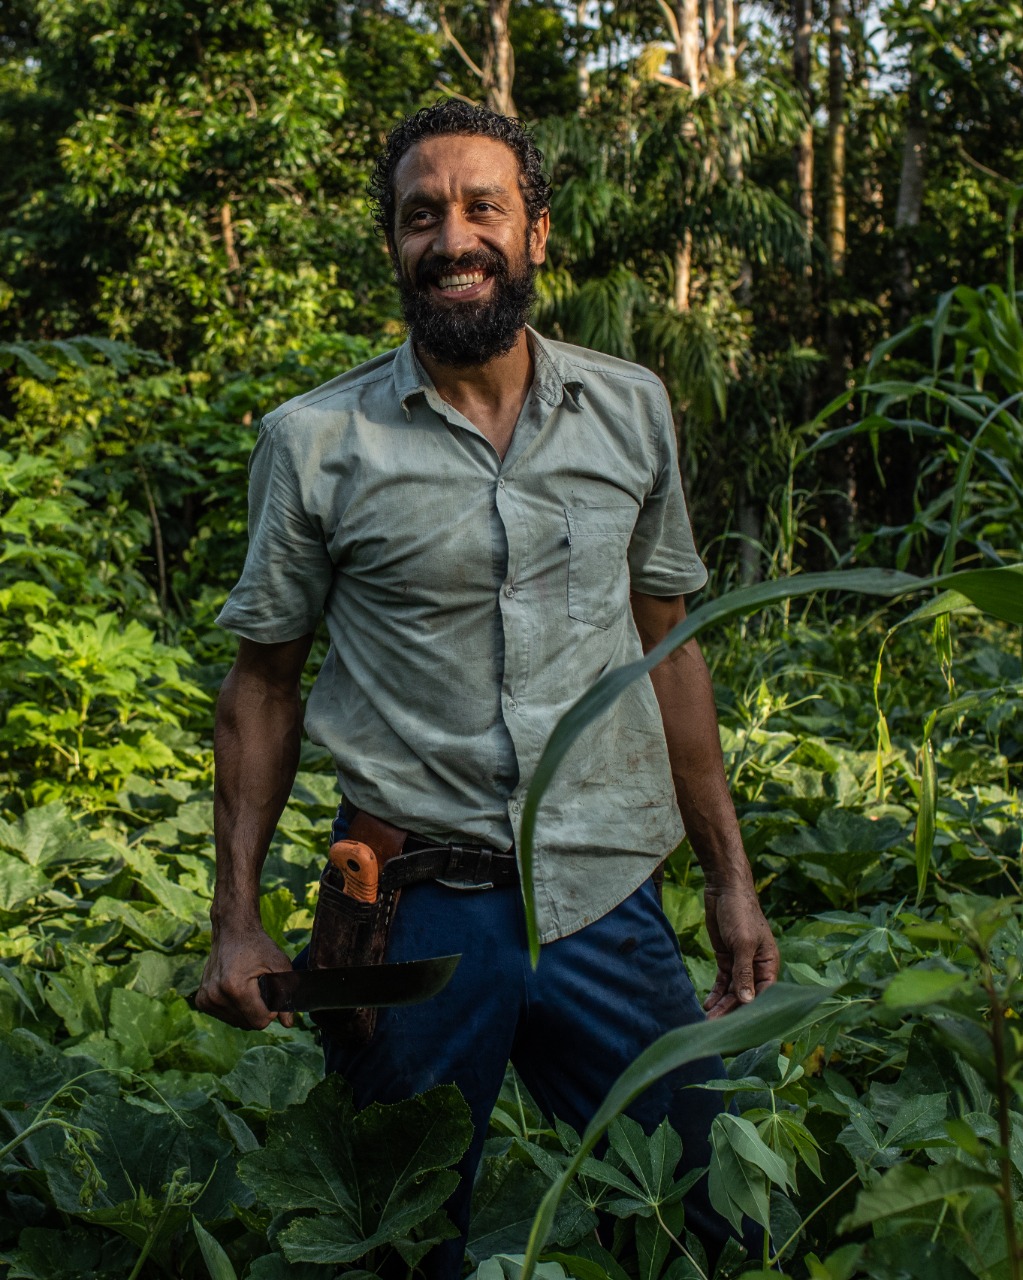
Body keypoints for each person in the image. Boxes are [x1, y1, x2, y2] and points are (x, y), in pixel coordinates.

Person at [197, 100, 779, 1277]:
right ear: (393, 246)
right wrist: (237, 917)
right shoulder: (315, 442)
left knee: (705, 1222)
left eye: (482, 209)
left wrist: (730, 880)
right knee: (400, 1243)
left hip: (607, 900)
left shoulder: (631, 410)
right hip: (409, 907)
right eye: (423, 216)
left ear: (538, 234)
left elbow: (673, 654)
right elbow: (263, 686)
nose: (453, 238)